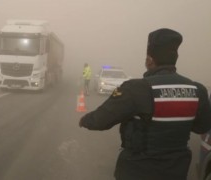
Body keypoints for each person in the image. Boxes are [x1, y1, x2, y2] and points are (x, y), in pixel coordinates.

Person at [79, 28, 211, 180]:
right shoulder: (197, 90)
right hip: (177, 171)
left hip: (138, 170)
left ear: (149, 59)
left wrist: (85, 120)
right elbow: (202, 127)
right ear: (175, 57)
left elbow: (101, 120)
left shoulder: (137, 89)